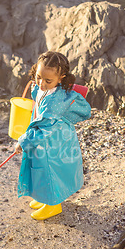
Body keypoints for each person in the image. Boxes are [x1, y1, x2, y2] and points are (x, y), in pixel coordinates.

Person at [14, 51, 91, 220]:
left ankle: (53, 205)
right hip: (43, 136)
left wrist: (23, 141)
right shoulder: (41, 88)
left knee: (49, 170)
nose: (41, 83)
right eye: (38, 76)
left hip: (52, 139)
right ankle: (44, 199)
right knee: (38, 168)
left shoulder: (55, 100)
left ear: (61, 78)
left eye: (48, 81)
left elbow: (44, 125)